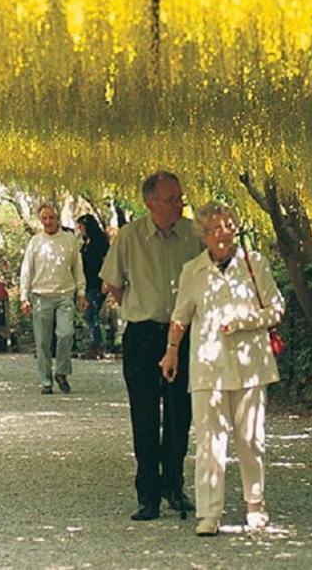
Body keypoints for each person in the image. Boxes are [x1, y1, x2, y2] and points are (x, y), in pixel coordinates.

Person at [160, 203, 284, 536]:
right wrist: (171, 351)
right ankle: (209, 513)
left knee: (251, 439)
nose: (222, 234)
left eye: (228, 226)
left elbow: (276, 309)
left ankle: (255, 506)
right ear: (203, 235)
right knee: (209, 442)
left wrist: (245, 321)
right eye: (214, 229)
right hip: (207, 365)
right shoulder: (193, 271)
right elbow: (180, 316)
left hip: (251, 364)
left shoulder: (255, 264)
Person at [100, 171, 203, 521]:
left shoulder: (193, 234)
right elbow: (112, 283)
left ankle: (174, 485)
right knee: (144, 414)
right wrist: (137, 305)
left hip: (184, 334)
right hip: (143, 334)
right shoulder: (130, 237)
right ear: (150, 202)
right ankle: (148, 494)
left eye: (179, 197)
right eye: (171, 198)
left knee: (180, 414)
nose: (179, 203)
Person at [19, 203, 87, 394]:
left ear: (58, 219)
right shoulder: (35, 242)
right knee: (42, 341)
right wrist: (24, 297)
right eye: (45, 218)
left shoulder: (69, 240)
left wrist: (81, 293)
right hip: (41, 295)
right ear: (41, 220)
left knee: (65, 334)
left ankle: (62, 372)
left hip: (65, 294)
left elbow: (77, 268)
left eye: (51, 217)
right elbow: (26, 271)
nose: (48, 221)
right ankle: (46, 381)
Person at [76, 214, 111, 359]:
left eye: (81, 226)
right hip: (88, 282)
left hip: (97, 283)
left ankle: (97, 345)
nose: (80, 229)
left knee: (92, 314)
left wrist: (106, 280)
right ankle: (94, 344)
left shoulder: (100, 241)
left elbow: (107, 261)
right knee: (89, 314)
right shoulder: (86, 243)